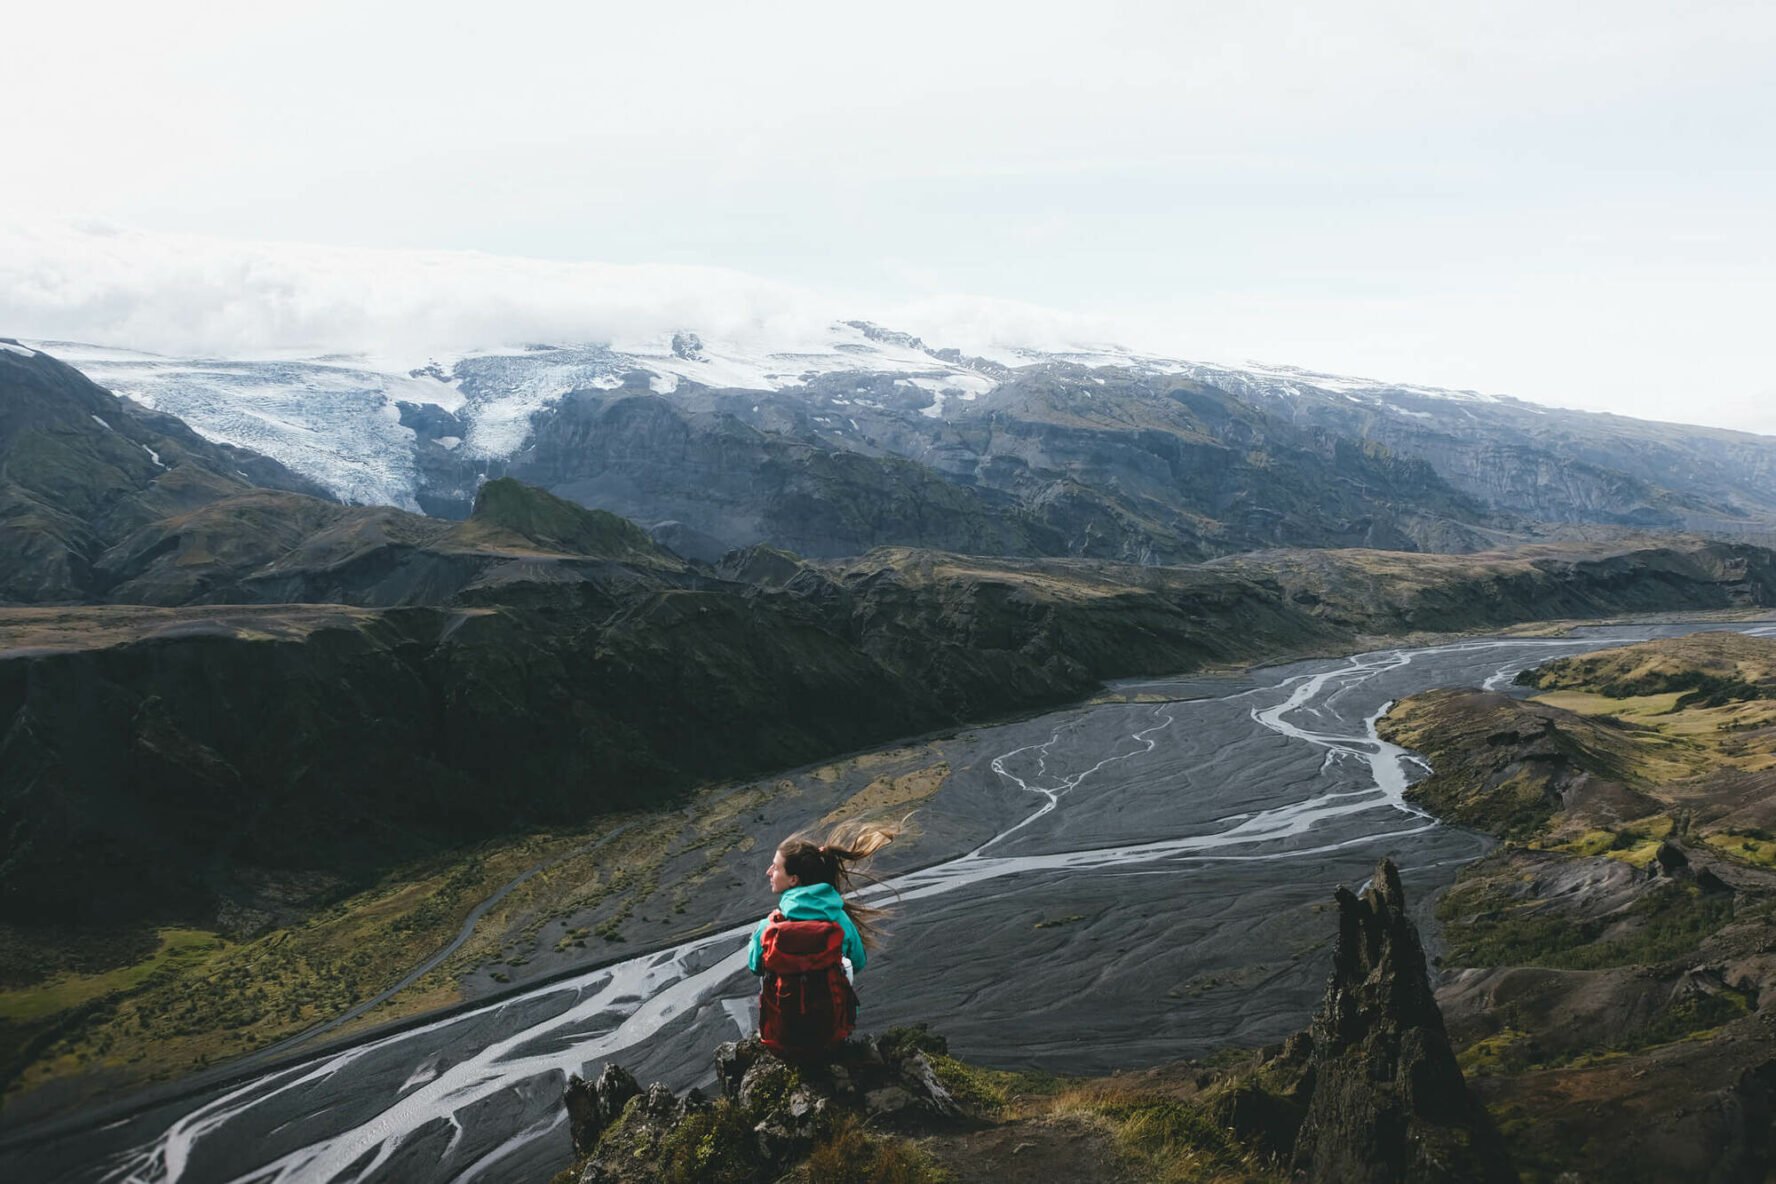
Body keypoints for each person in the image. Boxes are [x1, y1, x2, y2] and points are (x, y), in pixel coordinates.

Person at [747, 819, 902, 1055]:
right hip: (832, 1034)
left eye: (775, 867)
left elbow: (754, 967)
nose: (769, 871)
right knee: (845, 967)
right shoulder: (839, 920)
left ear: (794, 880)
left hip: (781, 1038)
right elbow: (858, 962)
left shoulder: (770, 925)